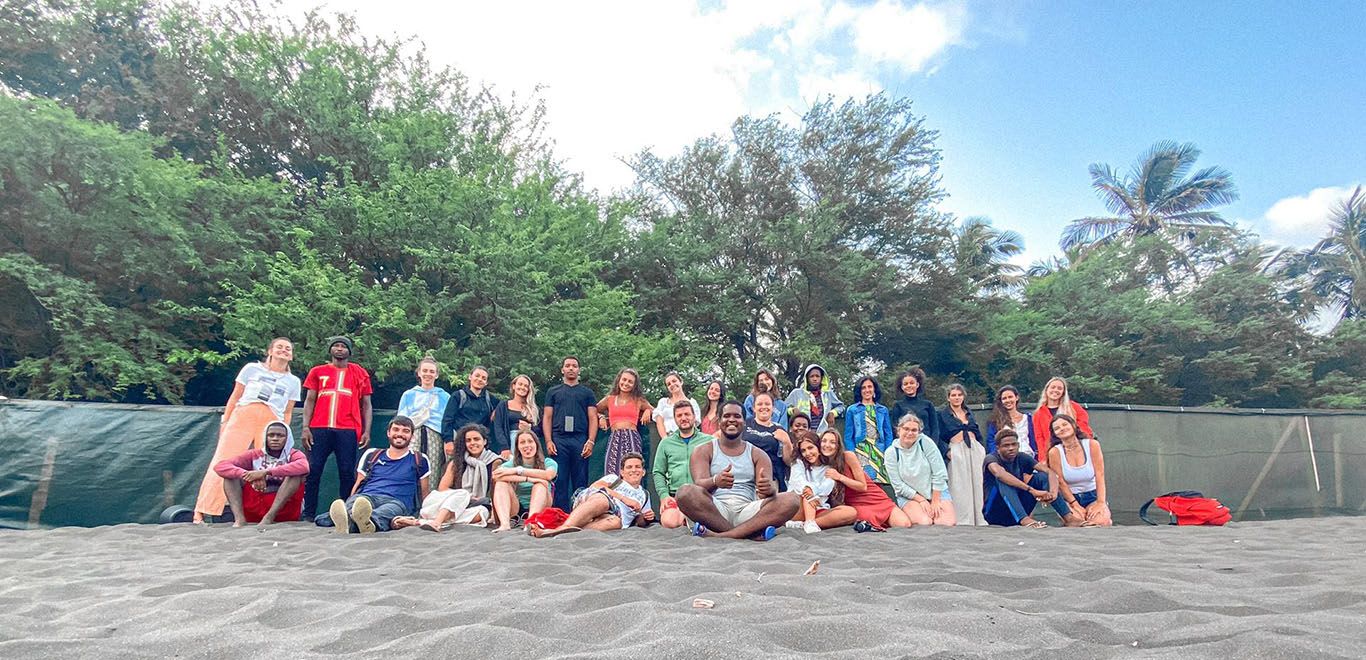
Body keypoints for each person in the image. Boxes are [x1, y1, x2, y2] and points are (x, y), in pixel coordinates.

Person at [194, 337, 301, 523]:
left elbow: (288, 411)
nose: (283, 351)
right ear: (270, 350)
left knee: (266, 464)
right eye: (279, 347)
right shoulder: (252, 369)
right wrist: (225, 421)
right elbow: (235, 396)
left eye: (287, 349)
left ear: (291, 356)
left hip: (271, 420)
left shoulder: (293, 381)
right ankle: (202, 511)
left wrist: (284, 432)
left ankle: (259, 512)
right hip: (245, 413)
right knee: (223, 460)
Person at [674, 401, 800, 540]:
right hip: (715, 510)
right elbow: (699, 484)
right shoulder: (703, 450)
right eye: (726, 416)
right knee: (684, 492)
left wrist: (769, 489)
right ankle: (747, 535)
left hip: (748, 511)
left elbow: (766, 494)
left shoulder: (758, 454)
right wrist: (716, 481)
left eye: (737, 416)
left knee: (792, 499)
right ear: (719, 421)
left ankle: (722, 535)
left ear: (744, 422)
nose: (732, 420)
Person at [301, 336, 374, 521]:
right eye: (336, 346)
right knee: (314, 469)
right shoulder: (318, 371)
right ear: (330, 350)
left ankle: (347, 512)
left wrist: (367, 431)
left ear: (349, 351)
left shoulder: (359, 373)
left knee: (347, 470)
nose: (340, 349)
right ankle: (308, 513)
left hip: (348, 428)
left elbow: (366, 404)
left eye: (343, 346)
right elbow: (310, 400)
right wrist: (305, 427)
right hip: (319, 427)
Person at [326, 417, 430, 534]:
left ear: (412, 436)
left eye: (405, 431)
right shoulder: (372, 454)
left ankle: (356, 523)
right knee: (355, 503)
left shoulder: (419, 459)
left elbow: (424, 492)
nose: (400, 434)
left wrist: (424, 514)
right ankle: (354, 520)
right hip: (367, 497)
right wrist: (351, 499)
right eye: (396, 429)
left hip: (397, 502)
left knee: (386, 512)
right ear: (388, 433)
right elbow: (359, 482)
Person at [397, 423, 503, 532]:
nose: (472, 443)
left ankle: (421, 522)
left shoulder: (495, 461)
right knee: (463, 493)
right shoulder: (456, 463)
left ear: (484, 441)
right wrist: (468, 497)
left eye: (476, 439)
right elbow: (442, 489)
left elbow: (495, 491)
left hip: (472, 506)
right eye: (468, 440)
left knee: (483, 513)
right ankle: (437, 523)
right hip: (444, 503)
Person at [530, 453, 655, 537]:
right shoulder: (614, 479)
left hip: (613, 516)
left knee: (616, 523)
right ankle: (562, 528)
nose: (634, 470)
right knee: (602, 500)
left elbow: (639, 522)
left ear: (643, 472)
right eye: (629, 467)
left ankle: (567, 531)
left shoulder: (644, 494)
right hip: (593, 501)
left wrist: (646, 517)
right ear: (622, 472)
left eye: (637, 467)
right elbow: (595, 487)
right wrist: (624, 499)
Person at [213, 421, 309, 526]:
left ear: (288, 438)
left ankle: (269, 517)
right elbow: (220, 466)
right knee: (229, 477)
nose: (275, 439)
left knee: (295, 476)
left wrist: (265, 472)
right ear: (265, 437)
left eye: (280, 435)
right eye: (271, 435)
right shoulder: (254, 454)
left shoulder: (294, 454)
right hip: (255, 504)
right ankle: (239, 519)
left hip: (284, 509)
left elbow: (303, 466)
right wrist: (249, 475)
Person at [983, 429, 1081, 528]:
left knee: (1042, 477)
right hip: (996, 511)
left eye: (1014, 444)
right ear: (998, 448)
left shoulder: (1021, 457)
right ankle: (1024, 519)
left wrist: (1053, 493)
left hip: (1019, 507)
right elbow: (999, 474)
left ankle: (1068, 518)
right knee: (1004, 480)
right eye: (1006, 446)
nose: (1011, 448)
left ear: (1018, 445)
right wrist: (1031, 490)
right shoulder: (991, 458)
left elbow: (1049, 472)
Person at [543, 357, 598, 511]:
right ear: (562, 369)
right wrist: (548, 441)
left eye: (574, 366)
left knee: (580, 480)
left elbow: (593, 417)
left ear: (579, 370)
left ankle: (580, 513)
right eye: (567, 366)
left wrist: (591, 441)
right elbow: (547, 417)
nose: (571, 368)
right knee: (559, 479)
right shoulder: (553, 392)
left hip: (580, 439)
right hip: (558, 439)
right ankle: (559, 514)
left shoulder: (587, 393)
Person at [824, 428, 906, 529]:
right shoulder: (821, 464)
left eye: (832, 442)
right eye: (824, 441)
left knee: (904, 524)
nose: (827, 445)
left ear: (838, 446)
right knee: (867, 523)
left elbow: (862, 486)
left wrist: (839, 477)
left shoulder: (848, 456)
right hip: (855, 504)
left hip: (874, 497)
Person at [652, 400, 716, 528]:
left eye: (687, 414)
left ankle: (689, 519)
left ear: (694, 417)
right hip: (675, 496)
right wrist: (664, 495)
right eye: (679, 416)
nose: (684, 418)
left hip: (702, 495)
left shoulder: (710, 441)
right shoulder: (666, 443)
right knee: (669, 522)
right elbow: (658, 472)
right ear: (675, 419)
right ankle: (686, 519)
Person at [884, 414, 954, 527]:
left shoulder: (926, 443)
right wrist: (921, 500)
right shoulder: (891, 453)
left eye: (914, 430)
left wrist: (935, 501)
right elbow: (898, 485)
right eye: (906, 429)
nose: (910, 433)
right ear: (898, 430)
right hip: (909, 496)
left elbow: (939, 472)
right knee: (924, 522)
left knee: (945, 523)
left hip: (936, 491)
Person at [396, 357, 451, 492]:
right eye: (425, 370)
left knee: (433, 467)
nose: (428, 374)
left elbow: (447, 420)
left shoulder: (444, 396)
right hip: (413, 434)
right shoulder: (409, 395)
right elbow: (401, 418)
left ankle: (430, 502)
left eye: (432, 371)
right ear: (419, 373)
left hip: (435, 435)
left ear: (436, 375)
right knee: (410, 465)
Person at [1048, 414, 1112, 527]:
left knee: (1101, 522)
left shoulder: (1092, 445)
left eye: (1064, 424)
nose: (1062, 429)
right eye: (1057, 428)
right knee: (1078, 523)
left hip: (1092, 495)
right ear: (1054, 434)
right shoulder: (1054, 452)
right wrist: (1075, 504)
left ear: (1073, 425)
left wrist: (1100, 502)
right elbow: (1060, 482)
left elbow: (1100, 475)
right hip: (1070, 498)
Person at [938, 384, 987, 526]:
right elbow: (940, 436)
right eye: (953, 395)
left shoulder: (969, 412)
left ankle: (978, 517)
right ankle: (963, 519)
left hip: (973, 449)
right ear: (948, 398)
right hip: (956, 451)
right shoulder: (943, 415)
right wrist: (947, 452)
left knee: (977, 484)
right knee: (959, 485)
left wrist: (981, 448)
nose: (956, 397)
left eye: (959, 395)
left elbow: (977, 432)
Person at [491, 430, 558, 532]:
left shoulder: (548, 462)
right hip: (517, 507)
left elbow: (548, 475)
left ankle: (530, 523)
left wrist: (518, 470)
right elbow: (496, 476)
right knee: (500, 484)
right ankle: (505, 524)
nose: (527, 445)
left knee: (540, 484)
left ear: (536, 444)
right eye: (522, 442)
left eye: (530, 441)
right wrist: (527, 479)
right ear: (517, 447)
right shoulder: (511, 464)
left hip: (542, 505)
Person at [596, 368, 654, 485]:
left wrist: (648, 411)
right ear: (619, 380)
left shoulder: (638, 400)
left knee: (633, 469)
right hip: (614, 437)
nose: (626, 383)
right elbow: (593, 409)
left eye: (630, 382)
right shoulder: (610, 399)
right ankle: (612, 500)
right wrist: (601, 417)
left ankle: (634, 498)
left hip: (632, 437)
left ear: (634, 385)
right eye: (624, 380)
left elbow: (656, 412)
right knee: (612, 471)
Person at [1032, 376, 1094, 467]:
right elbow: (1039, 438)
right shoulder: (1038, 413)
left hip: (1075, 449)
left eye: (1059, 388)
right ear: (1046, 390)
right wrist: (1043, 459)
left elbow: (1084, 426)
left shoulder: (1073, 407)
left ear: (1063, 392)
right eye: (1053, 387)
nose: (1055, 390)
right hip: (1053, 452)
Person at [785, 431, 839, 533]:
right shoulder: (798, 463)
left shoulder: (829, 467)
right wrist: (809, 490)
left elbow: (827, 488)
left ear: (818, 448)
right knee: (806, 492)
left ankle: (805, 523)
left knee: (850, 512)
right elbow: (798, 482)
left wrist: (812, 490)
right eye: (803, 450)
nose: (807, 453)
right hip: (798, 508)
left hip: (819, 507)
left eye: (810, 448)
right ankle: (809, 522)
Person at [843, 376, 894, 484]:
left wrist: (888, 452)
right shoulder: (852, 410)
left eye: (870, 387)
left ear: (874, 389)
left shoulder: (882, 410)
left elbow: (888, 434)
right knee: (862, 481)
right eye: (863, 388)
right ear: (859, 391)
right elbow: (848, 436)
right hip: (860, 450)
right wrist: (852, 455)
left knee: (879, 484)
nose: (867, 390)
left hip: (879, 450)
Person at [440, 366, 498, 456]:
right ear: (470, 377)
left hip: (479, 443)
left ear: (486, 383)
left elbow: (504, 407)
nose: (480, 379)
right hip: (459, 440)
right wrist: (448, 441)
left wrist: (496, 411)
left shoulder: (489, 399)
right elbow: (447, 419)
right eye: (477, 376)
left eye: (483, 378)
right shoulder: (458, 396)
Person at [743, 392, 792, 492]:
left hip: (770, 478)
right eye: (760, 404)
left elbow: (788, 461)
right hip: (745, 476)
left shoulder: (779, 429)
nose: (764, 407)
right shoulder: (744, 424)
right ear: (753, 408)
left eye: (767, 404)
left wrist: (787, 442)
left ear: (773, 408)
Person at [490, 374, 539, 460]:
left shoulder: (532, 408)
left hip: (528, 443)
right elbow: (498, 427)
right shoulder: (503, 405)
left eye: (526, 386)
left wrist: (530, 427)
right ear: (514, 386)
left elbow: (540, 430)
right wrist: (504, 447)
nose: (523, 387)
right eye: (520, 384)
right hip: (510, 442)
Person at [889, 367, 941, 449]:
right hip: (907, 447)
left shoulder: (928, 405)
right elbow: (895, 429)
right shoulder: (897, 406)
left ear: (917, 385)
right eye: (905, 384)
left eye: (911, 383)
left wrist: (933, 445)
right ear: (902, 387)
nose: (909, 385)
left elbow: (935, 428)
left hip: (926, 446)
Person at [784, 364, 844, 433]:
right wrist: (792, 410)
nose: (815, 379)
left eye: (817, 376)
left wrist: (833, 413)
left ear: (822, 378)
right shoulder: (796, 393)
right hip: (802, 435)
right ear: (807, 378)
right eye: (812, 376)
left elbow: (841, 406)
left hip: (822, 434)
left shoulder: (828, 394)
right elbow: (783, 408)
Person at [985, 385, 1035, 456]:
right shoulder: (996, 421)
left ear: (1016, 398)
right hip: (1007, 460)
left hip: (1028, 457)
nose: (1008, 400)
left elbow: (1034, 440)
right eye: (1004, 398)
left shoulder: (1028, 418)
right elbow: (991, 442)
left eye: (1010, 397)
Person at [653, 371, 701, 438]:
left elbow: (694, 423)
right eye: (669, 384)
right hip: (668, 437)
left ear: (681, 382)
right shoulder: (663, 402)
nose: (672, 384)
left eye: (674, 381)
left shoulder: (692, 403)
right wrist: (665, 440)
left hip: (687, 437)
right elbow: (659, 422)